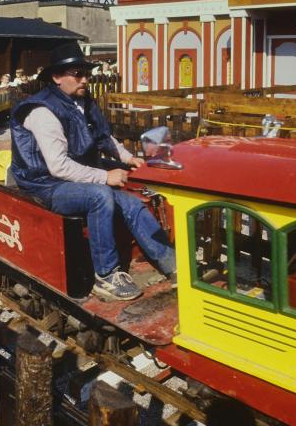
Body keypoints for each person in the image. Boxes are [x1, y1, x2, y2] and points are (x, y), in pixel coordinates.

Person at [9, 42, 176, 301]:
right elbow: (58, 166)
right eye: (77, 74)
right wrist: (105, 176)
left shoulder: (81, 102)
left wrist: (128, 157)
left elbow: (103, 137)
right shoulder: (42, 111)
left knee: (132, 204)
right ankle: (106, 275)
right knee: (101, 195)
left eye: (86, 73)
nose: (84, 79)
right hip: (44, 183)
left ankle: (172, 265)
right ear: (56, 77)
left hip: (73, 178)